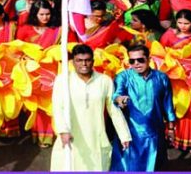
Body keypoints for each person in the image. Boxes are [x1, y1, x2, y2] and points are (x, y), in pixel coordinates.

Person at [49, 43, 131, 172]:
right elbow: (58, 107)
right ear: (73, 62)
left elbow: (114, 110)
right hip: (71, 135)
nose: (84, 64)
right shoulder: (63, 80)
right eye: (79, 61)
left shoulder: (104, 80)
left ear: (93, 61)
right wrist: (63, 130)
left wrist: (124, 135)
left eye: (87, 60)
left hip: (96, 137)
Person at [111, 41, 177, 171]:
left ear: (149, 59)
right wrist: (120, 100)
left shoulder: (162, 78)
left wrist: (170, 129)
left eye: (140, 60)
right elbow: (116, 95)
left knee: (155, 165)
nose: (136, 64)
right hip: (131, 133)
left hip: (155, 132)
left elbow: (168, 105)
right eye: (132, 61)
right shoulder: (123, 77)